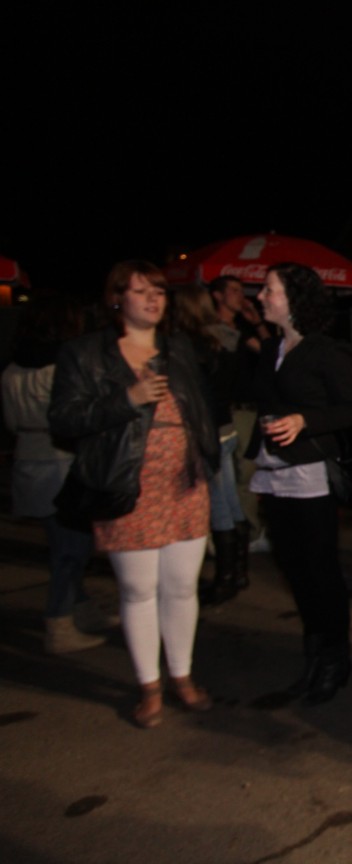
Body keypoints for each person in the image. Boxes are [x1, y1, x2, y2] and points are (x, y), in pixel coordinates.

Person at [49, 261, 219, 728]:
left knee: (182, 587)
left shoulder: (178, 348)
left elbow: (202, 407)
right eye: (141, 291)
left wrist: (208, 457)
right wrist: (127, 398)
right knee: (139, 590)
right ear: (116, 298)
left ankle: (182, 676)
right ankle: (149, 687)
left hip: (185, 485)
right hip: (126, 487)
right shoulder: (85, 353)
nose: (153, 299)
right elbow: (64, 419)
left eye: (159, 291)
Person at [247, 262, 352, 705]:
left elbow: (350, 409)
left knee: (320, 571)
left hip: (309, 474)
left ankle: (335, 659)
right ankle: (313, 655)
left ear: (294, 298)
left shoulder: (327, 350)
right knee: (293, 568)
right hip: (273, 472)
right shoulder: (269, 348)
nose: (261, 296)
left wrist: (304, 420)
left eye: (268, 290)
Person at [3, 296, 113, 653]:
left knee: (64, 544)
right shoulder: (61, 369)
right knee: (71, 549)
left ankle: (80, 609)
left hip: (27, 459)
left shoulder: (11, 371)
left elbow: (10, 423)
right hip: (60, 461)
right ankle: (59, 622)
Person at [172, 284, 248, 606]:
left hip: (209, 431)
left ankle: (226, 578)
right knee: (229, 500)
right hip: (225, 426)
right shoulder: (226, 339)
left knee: (218, 504)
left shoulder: (194, 345)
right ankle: (238, 572)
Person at [210, 275, 267, 556]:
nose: (240, 295)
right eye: (233, 290)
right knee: (223, 477)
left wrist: (257, 322)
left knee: (246, 473)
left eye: (241, 290)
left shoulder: (243, 329)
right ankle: (226, 537)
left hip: (248, 410)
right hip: (223, 411)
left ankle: (248, 533)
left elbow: (273, 354)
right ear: (217, 296)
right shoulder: (208, 331)